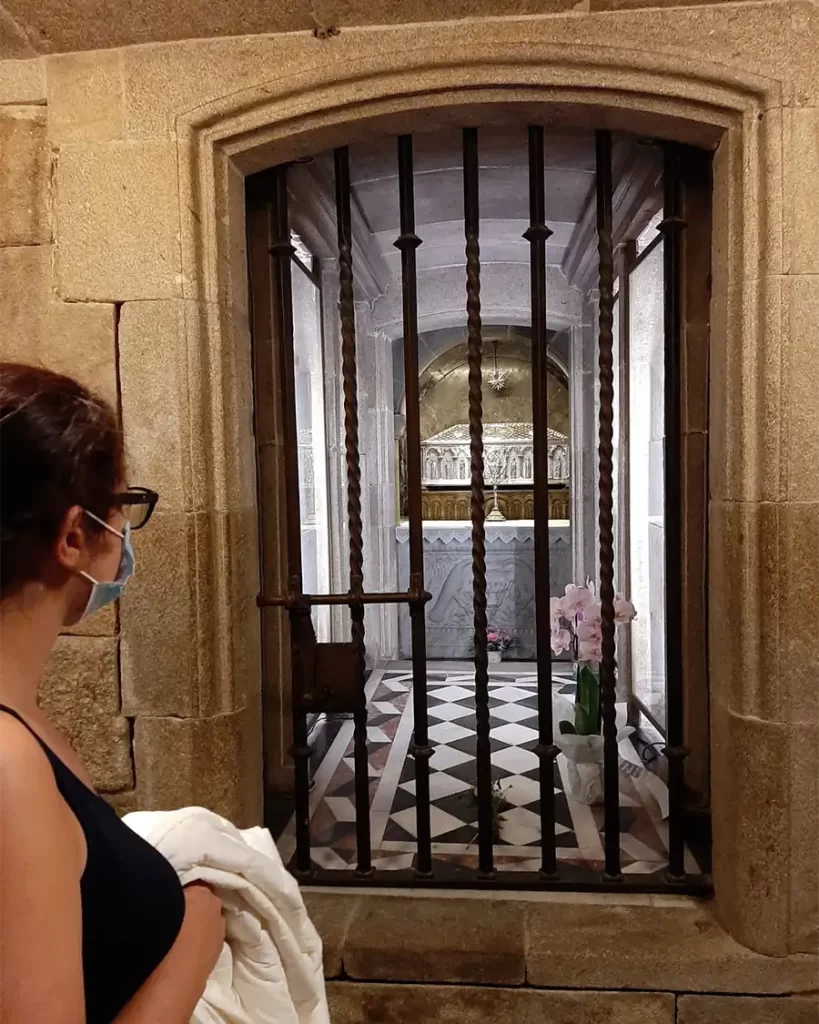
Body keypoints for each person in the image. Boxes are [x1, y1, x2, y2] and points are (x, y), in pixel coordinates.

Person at [0, 363, 226, 1023]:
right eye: (124, 508)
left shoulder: (22, 720)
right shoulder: (8, 770)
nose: (127, 536)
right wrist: (197, 931)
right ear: (73, 537)